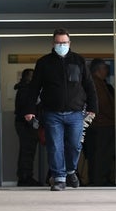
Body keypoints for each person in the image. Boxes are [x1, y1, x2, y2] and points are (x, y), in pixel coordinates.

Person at [24, 28, 98, 191]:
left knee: (74, 145)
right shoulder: (44, 63)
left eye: (64, 42)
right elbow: (34, 88)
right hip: (52, 113)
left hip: (76, 113)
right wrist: (30, 110)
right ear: (53, 43)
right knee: (55, 146)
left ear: (69, 43)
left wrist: (93, 107)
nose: (61, 45)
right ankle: (59, 179)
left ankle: (71, 171)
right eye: (58, 42)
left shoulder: (79, 61)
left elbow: (89, 86)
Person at [85, 58, 115, 186]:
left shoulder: (98, 83)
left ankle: (100, 178)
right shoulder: (97, 84)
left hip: (100, 124)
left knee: (99, 154)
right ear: (98, 70)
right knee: (102, 154)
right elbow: (103, 105)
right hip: (102, 124)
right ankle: (99, 179)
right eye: (104, 68)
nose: (106, 71)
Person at [14, 68, 42, 186]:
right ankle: (25, 177)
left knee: (26, 151)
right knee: (28, 151)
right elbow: (26, 109)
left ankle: (25, 176)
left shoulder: (22, 89)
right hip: (27, 125)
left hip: (24, 124)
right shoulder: (27, 90)